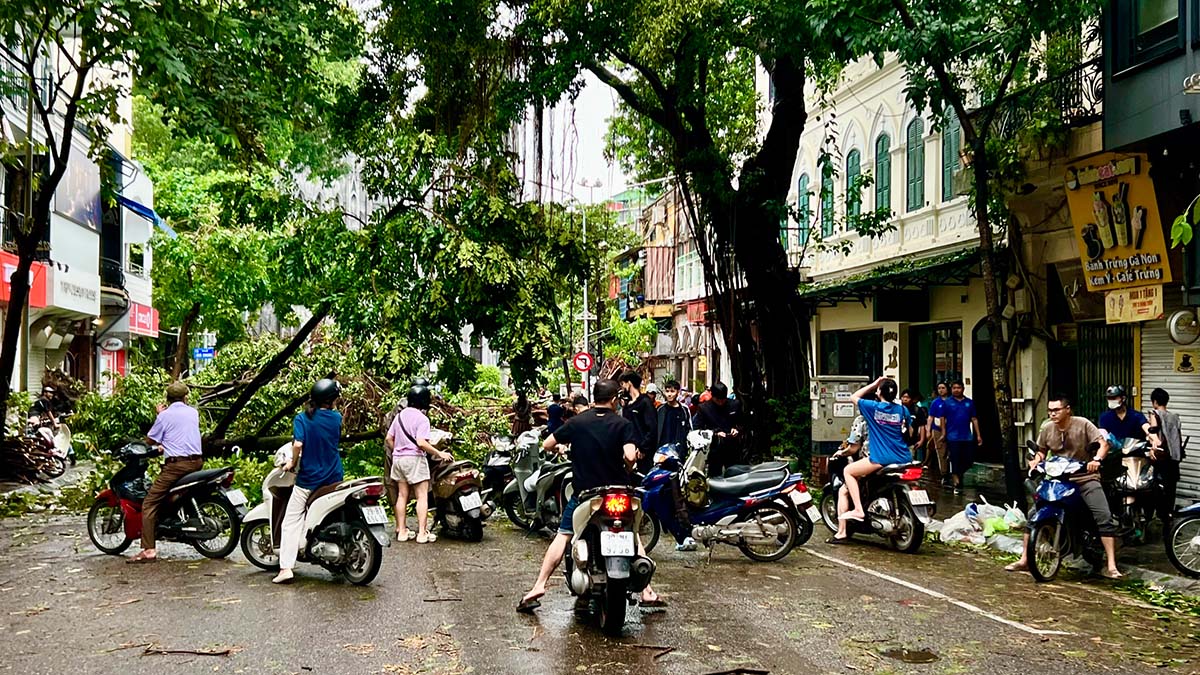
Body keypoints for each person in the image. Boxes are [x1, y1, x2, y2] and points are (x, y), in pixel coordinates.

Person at [516, 379, 664, 612]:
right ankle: (647, 591)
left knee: (564, 535)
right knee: (632, 535)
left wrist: (563, 448)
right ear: (614, 399)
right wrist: (628, 460)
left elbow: (546, 444)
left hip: (586, 494)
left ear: (594, 398)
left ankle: (538, 586)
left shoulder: (576, 423)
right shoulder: (623, 424)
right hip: (618, 491)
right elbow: (630, 456)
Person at [1005, 395, 1122, 578]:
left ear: (1067, 409)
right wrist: (1036, 461)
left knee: (1103, 516)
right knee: (1032, 515)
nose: (1052, 414)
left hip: (1084, 478)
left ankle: (1111, 565)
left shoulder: (1083, 424)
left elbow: (1103, 444)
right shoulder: (1047, 428)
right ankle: (1025, 559)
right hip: (1057, 479)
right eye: (1050, 410)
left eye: (1056, 410)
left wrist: (1097, 460)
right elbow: (1041, 450)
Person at [274, 379, 347, 583]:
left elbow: (298, 443)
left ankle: (286, 568)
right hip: (334, 477)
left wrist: (291, 462)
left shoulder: (302, 418)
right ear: (332, 400)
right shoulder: (336, 418)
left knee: (290, 521)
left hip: (309, 479)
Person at [126, 381, 203, 564]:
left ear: (167, 399)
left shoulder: (164, 416)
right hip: (197, 462)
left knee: (149, 502)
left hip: (176, 466)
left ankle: (148, 550)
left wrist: (160, 415)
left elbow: (150, 440)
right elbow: (180, 431)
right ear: (186, 398)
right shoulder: (193, 412)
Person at [829, 377, 911, 544]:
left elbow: (854, 397)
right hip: (903, 456)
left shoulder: (872, 408)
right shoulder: (902, 410)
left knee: (848, 472)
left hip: (881, 457)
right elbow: (908, 431)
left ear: (879, 392)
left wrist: (874, 384)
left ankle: (858, 510)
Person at [386, 383, 453, 543]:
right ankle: (422, 533)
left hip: (398, 460)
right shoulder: (422, 419)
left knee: (402, 495)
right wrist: (439, 453)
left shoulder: (399, 416)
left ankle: (401, 531)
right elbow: (421, 442)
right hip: (415, 460)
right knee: (421, 496)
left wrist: (399, 450)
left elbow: (389, 438)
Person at [937, 381, 981, 495]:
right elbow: (942, 418)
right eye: (954, 388)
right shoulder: (947, 403)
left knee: (968, 460)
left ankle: (958, 474)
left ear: (963, 389)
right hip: (953, 436)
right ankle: (956, 481)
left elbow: (974, 419)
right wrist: (943, 433)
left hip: (967, 436)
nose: (956, 390)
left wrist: (979, 435)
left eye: (959, 388)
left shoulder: (969, 403)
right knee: (955, 459)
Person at [1147, 388, 1183, 522]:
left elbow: (1153, 431)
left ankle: (1157, 515)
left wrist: (1152, 446)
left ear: (1154, 402)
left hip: (1161, 457)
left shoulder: (1154, 413)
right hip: (1174, 459)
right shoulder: (1175, 417)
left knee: (1156, 487)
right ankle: (1168, 516)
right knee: (1170, 489)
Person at [693, 382, 744, 476]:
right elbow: (697, 429)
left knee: (735, 474)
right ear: (712, 396)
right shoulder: (704, 408)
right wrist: (714, 433)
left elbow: (742, 423)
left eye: (723, 399)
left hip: (732, 447)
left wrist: (737, 429)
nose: (721, 402)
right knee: (714, 476)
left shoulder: (734, 404)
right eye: (718, 400)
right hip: (714, 449)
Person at [619, 370, 658, 473]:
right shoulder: (627, 405)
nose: (622, 388)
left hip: (642, 455)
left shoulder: (645, 403)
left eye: (623, 384)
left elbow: (652, 428)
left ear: (629, 383)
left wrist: (643, 448)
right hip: (629, 452)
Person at [925, 382, 950, 483]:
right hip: (937, 429)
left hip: (951, 430)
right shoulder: (935, 402)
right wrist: (928, 430)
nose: (941, 390)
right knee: (941, 451)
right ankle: (944, 474)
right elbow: (930, 417)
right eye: (939, 388)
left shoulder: (952, 401)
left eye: (943, 388)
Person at [656, 380, 692, 448]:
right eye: (667, 391)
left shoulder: (684, 409)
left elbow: (689, 428)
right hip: (662, 450)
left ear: (678, 392)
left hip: (679, 449)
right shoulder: (660, 409)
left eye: (672, 391)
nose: (669, 394)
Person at [900, 389, 928, 460]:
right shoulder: (897, 409)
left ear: (912, 399)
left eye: (907, 397)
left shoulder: (917, 410)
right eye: (903, 397)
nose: (905, 399)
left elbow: (922, 426)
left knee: (910, 461)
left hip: (912, 442)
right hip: (898, 441)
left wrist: (921, 440)